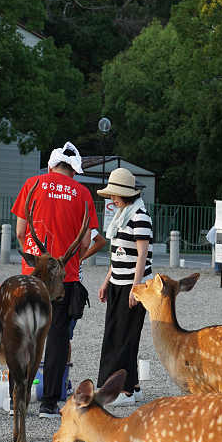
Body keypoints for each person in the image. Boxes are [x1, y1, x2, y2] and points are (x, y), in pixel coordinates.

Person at [12, 141, 105, 418]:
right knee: (56, 338)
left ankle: (17, 398)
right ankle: (49, 403)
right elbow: (87, 239)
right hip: (64, 278)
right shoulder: (82, 193)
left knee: (22, 334)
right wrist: (73, 261)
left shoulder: (32, 184)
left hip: (32, 274)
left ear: (52, 165)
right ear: (74, 171)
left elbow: (19, 231)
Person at [96, 168, 152, 406]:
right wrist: (106, 280)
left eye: (115, 194)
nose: (112, 198)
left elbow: (142, 255)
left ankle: (125, 391)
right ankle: (133, 387)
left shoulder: (140, 216)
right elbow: (116, 254)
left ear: (126, 194)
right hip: (118, 282)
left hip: (133, 283)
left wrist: (136, 287)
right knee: (114, 334)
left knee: (126, 338)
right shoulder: (121, 215)